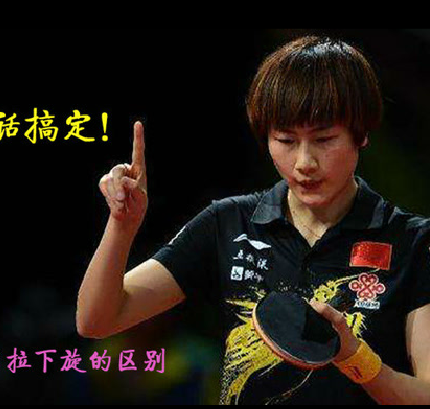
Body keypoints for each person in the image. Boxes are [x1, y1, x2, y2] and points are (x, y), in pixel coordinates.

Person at [76, 36, 430, 405]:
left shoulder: (414, 242)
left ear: (362, 135)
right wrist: (122, 225)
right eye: (286, 140)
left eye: (324, 139)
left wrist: (356, 357)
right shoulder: (228, 223)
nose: (304, 163)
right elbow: (96, 321)